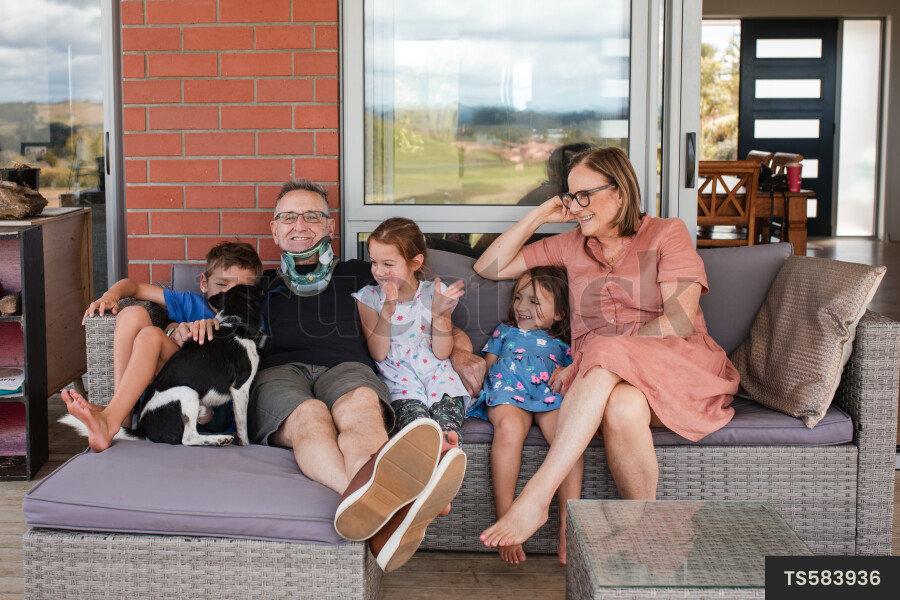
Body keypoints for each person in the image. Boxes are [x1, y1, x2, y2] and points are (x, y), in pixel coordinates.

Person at [473, 146, 740, 551]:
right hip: (609, 386)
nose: (575, 207)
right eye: (570, 197)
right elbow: (488, 267)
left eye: (585, 195)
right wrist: (542, 214)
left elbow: (679, 321)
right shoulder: (569, 245)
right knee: (622, 406)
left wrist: (588, 357)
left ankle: (537, 497)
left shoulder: (667, 233)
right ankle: (646, 531)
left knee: (606, 350)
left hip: (676, 367)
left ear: (619, 192)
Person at [248, 179, 484, 568]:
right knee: (310, 416)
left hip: (348, 369)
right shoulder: (257, 284)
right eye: (288, 217)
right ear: (274, 229)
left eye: (312, 216)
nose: (300, 225)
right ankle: (389, 515)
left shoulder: (366, 273)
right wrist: (181, 329)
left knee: (361, 406)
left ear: (330, 227)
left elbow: (423, 310)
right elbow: (210, 319)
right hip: (280, 373)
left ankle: (378, 509)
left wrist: (458, 351)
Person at [61, 241, 264, 452]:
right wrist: (110, 296)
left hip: (213, 400)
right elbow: (135, 287)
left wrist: (220, 327)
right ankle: (120, 417)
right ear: (204, 283)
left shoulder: (250, 318)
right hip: (177, 382)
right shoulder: (191, 303)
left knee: (152, 336)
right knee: (134, 315)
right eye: (222, 285)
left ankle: (110, 418)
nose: (229, 295)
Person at [468, 266, 578, 565]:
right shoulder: (504, 332)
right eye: (519, 298)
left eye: (534, 301)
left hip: (547, 390)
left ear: (559, 314)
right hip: (508, 389)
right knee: (508, 430)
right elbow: (487, 368)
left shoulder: (563, 343)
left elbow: (574, 372)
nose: (522, 307)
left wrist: (564, 374)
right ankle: (506, 518)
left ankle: (570, 528)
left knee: (569, 440)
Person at [353, 217, 470, 446]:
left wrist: (439, 316)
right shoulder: (368, 298)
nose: (378, 271)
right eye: (374, 262)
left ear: (415, 263)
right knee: (417, 428)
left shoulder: (435, 294)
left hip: (440, 379)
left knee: (447, 421)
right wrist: (387, 313)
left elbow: (442, 353)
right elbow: (378, 353)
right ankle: (430, 452)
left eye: (388, 264)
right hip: (400, 383)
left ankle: (447, 447)